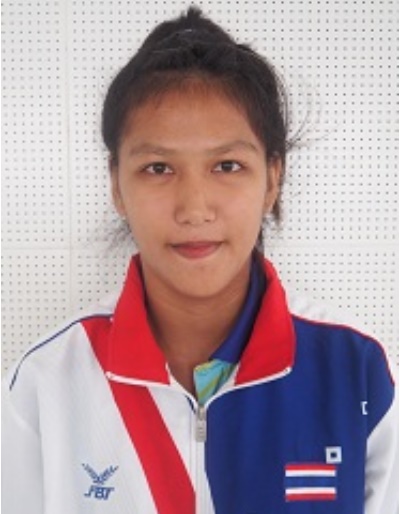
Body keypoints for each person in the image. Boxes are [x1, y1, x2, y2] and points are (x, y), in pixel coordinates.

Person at [2, 7, 397, 514]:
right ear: (116, 185)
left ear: (272, 179)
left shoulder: (357, 371)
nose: (194, 208)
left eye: (227, 165)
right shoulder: (44, 385)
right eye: (158, 168)